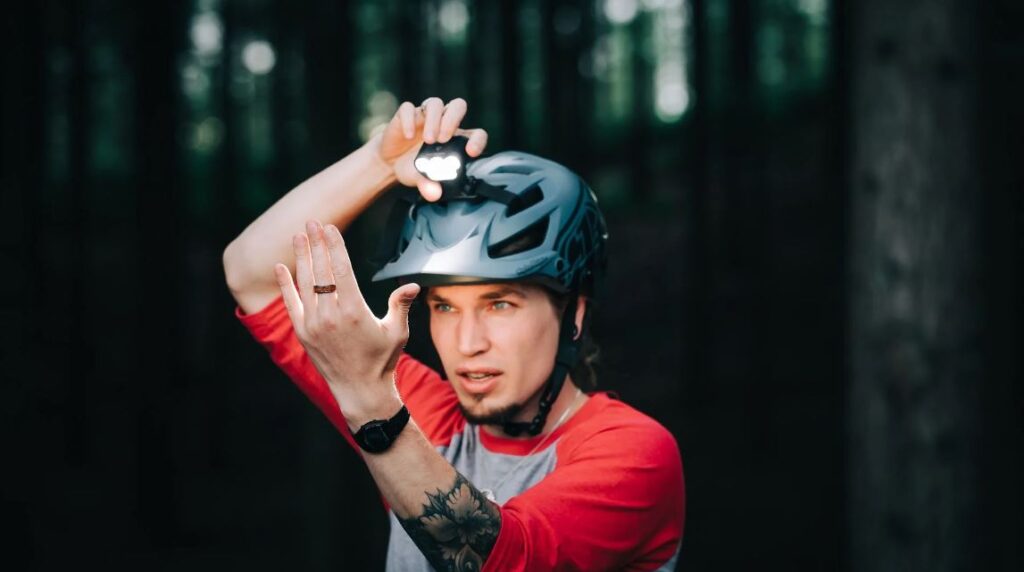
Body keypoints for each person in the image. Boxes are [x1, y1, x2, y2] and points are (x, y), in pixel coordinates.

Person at [223, 97, 685, 571]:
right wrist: (379, 162)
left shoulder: (633, 451)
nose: (467, 343)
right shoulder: (426, 422)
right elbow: (251, 273)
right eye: (444, 306)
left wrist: (370, 401)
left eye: (499, 304)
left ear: (574, 315)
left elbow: (503, 561)